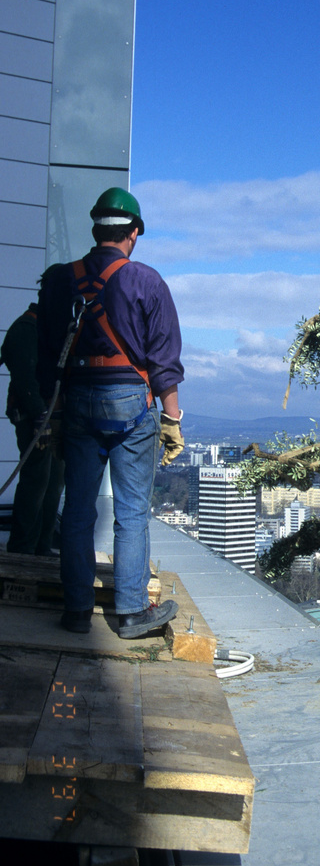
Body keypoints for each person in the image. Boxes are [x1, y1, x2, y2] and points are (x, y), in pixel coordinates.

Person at [37, 188, 185, 638]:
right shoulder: (146, 281)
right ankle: (131, 612)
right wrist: (173, 419)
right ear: (134, 233)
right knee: (132, 511)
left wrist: (55, 414)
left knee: (78, 509)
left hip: (78, 402)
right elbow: (163, 360)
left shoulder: (61, 279)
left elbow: (48, 358)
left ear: (96, 229)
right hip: (131, 403)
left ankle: (78, 611)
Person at [1, 271, 65, 555]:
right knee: (36, 482)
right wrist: (40, 414)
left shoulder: (48, 329)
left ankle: (42, 545)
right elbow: (25, 378)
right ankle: (23, 548)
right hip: (34, 418)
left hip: (51, 415)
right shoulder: (27, 328)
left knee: (53, 483)